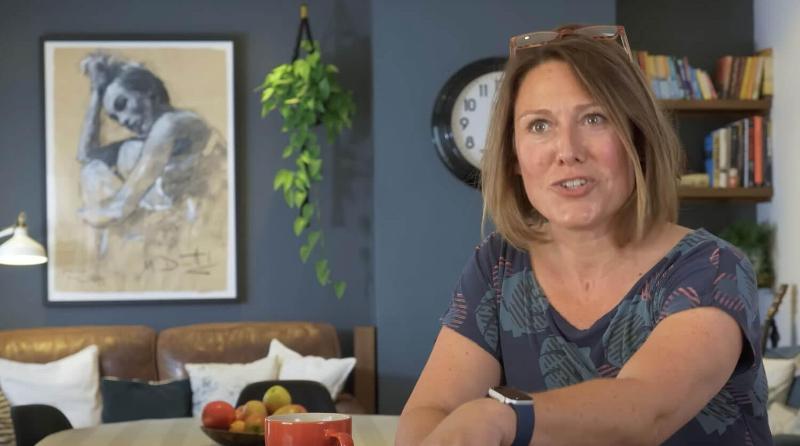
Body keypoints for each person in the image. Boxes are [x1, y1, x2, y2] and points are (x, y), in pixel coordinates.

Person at [397, 25, 770, 446]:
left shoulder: (713, 268)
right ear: (514, 155)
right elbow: (432, 412)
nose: (568, 150)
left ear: (637, 138)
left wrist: (501, 418)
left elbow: (646, 410)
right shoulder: (500, 264)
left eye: (594, 118)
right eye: (539, 126)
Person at [75, 53, 227, 253]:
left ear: (148, 92)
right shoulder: (145, 143)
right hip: (161, 224)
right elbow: (86, 155)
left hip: (197, 223)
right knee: (93, 170)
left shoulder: (174, 123)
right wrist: (96, 91)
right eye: (114, 116)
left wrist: (86, 215)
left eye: (123, 105)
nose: (123, 120)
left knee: (116, 161)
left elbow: (120, 207)